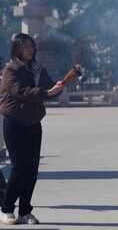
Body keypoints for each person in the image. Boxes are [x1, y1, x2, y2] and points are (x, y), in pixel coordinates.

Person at [0, 33, 64, 225]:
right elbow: (21, 91)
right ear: (17, 49)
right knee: (19, 168)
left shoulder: (37, 69)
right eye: (26, 46)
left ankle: (25, 211)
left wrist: (58, 88)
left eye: (31, 46)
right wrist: (46, 92)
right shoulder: (11, 69)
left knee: (32, 170)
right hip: (14, 122)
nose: (30, 49)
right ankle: (7, 209)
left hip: (33, 123)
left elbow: (49, 89)